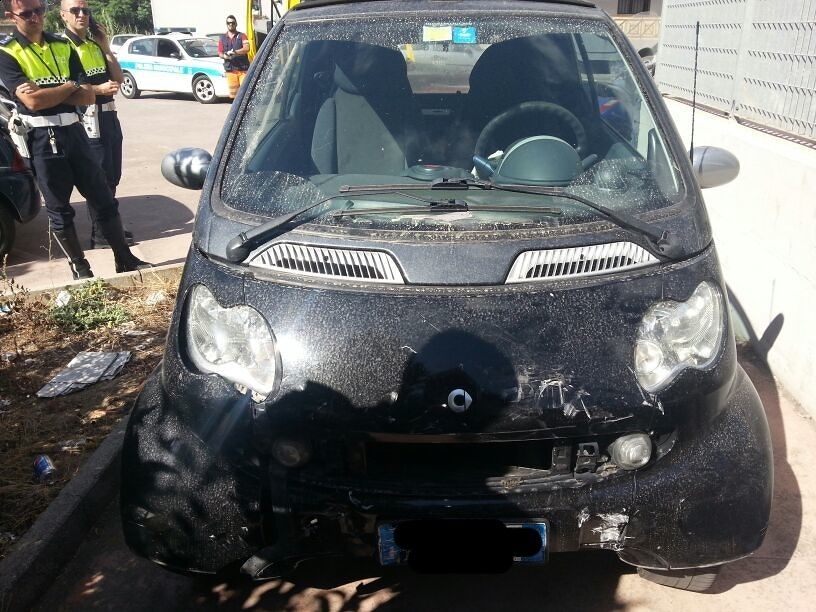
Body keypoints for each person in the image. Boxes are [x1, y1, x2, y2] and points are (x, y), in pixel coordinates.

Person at [0, 0, 149, 279]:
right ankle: (81, 270)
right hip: (41, 138)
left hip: (75, 132)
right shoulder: (7, 52)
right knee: (59, 210)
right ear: (11, 16)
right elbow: (32, 102)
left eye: (39, 11)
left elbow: (88, 95)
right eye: (27, 13)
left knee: (104, 198)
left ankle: (125, 259)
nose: (35, 17)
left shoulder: (62, 45)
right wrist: (70, 86)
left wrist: (53, 90)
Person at [60, 0, 133, 250]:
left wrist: (105, 47)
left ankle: (110, 226)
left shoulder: (93, 45)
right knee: (97, 177)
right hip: (88, 117)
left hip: (108, 115)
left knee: (112, 176)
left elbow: (119, 78)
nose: (82, 15)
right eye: (75, 11)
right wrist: (98, 89)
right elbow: (65, 87)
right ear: (63, 16)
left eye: (86, 10)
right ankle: (101, 234)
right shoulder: (63, 46)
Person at [217, 14, 250, 100]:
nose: (231, 24)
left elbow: (247, 48)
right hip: (230, 71)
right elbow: (220, 53)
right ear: (226, 24)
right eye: (228, 23)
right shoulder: (222, 38)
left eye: (232, 23)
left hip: (243, 70)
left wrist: (235, 53)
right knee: (234, 97)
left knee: (245, 93)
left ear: (236, 24)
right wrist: (225, 56)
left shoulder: (242, 36)